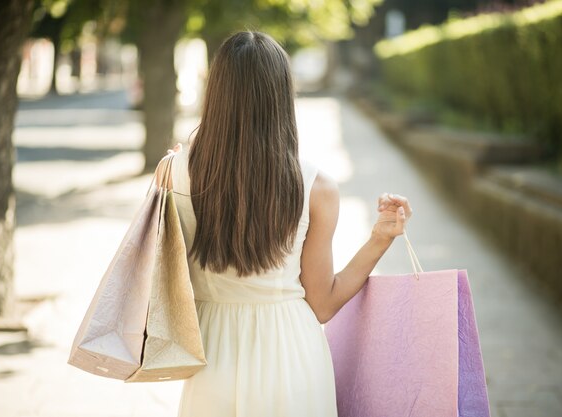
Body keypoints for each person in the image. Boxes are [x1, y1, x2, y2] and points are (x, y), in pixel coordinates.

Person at [155, 30, 413, 417]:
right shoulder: (317, 187)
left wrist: (173, 167)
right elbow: (322, 304)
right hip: (292, 358)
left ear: (217, 92)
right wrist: (379, 237)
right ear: (281, 96)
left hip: (209, 361)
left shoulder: (171, 173)